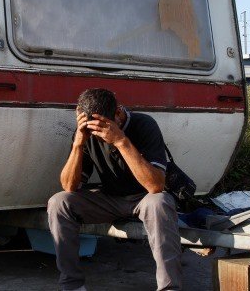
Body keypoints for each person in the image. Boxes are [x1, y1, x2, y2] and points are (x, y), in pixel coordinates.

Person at [48, 88, 182, 291]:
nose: (99, 135)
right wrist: (78, 144)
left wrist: (121, 141)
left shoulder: (144, 124)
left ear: (118, 113)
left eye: (104, 127)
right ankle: (72, 286)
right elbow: (69, 186)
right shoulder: (85, 131)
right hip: (110, 199)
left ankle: (170, 288)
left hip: (144, 197)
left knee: (160, 202)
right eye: (95, 131)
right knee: (59, 202)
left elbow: (155, 185)